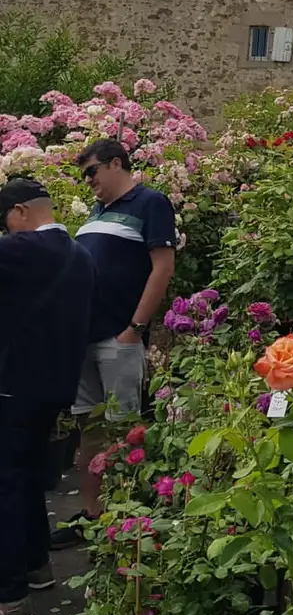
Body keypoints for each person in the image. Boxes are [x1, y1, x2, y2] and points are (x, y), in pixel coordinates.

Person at [51, 140, 177, 548]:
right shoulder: (97, 211)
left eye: (92, 172)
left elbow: (163, 267)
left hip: (117, 336)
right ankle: (92, 516)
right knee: (88, 428)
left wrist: (135, 328)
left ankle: (127, 520)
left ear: (116, 163)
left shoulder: (149, 202)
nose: (88, 181)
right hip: (84, 337)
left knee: (124, 431)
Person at [0, 179, 95, 615]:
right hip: (55, 388)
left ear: (20, 212)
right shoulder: (80, 256)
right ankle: (37, 565)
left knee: (5, 484)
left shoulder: (20, 250)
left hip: (11, 385)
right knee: (27, 479)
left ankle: (10, 596)